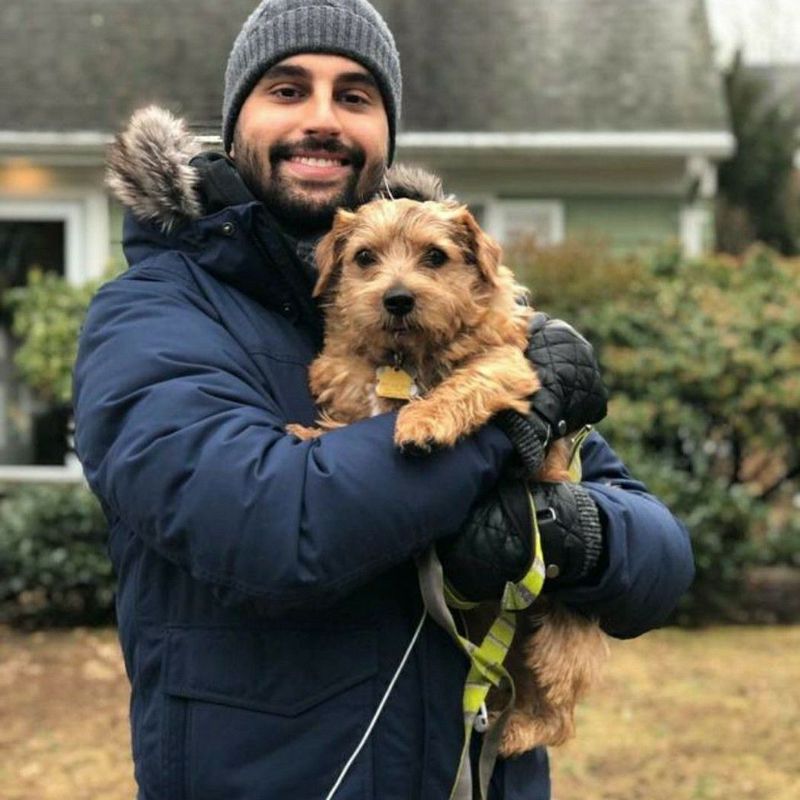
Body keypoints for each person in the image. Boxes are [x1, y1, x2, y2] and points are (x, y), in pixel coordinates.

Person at [72, 1, 695, 798]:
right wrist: (505, 418)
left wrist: (575, 533)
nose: (324, 119)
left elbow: (663, 563)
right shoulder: (152, 315)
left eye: (356, 96)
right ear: (233, 123)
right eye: (288, 89)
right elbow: (274, 527)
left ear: (387, 133)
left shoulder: (466, 322)